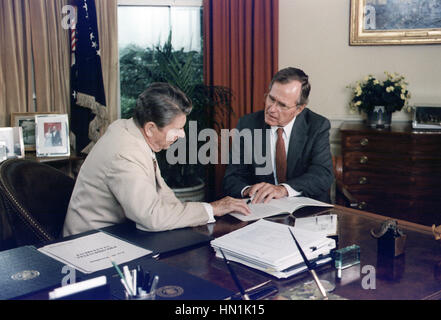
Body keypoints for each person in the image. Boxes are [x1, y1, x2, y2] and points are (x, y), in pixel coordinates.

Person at [63, 82, 250, 236]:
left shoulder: (131, 129)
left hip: (118, 233)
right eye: (176, 129)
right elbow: (151, 217)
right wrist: (212, 208)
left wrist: (196, 214)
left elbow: (162, 192)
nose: (182, 135)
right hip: (92, 244)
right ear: (151, 128)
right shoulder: (125, 153)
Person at [223, 67, 334, 204]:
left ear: (299, 109)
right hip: (263, 209)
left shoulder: (317, 125)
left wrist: (283, 189)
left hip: (305, 209)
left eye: (282, 105)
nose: (271, 109)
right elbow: (232, 176)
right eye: (271, 99)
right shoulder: (247, 124)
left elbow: (322, 174)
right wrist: (249, 190)